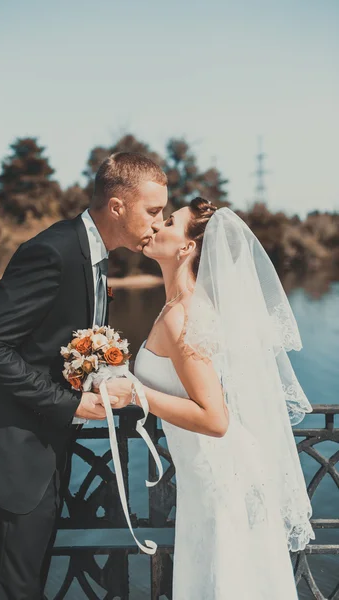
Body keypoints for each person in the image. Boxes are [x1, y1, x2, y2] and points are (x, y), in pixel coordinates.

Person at [0, 152, 168, 600]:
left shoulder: (94, 256)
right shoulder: (53, 250)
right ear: (118, 206)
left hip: (42, 454)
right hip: (11, 460)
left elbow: (53, 348)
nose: (159, 223)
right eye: (153, 210)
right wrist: (69, 403)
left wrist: (101, 377)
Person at [105, 197, 315, 599]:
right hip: (206, 478)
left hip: (221, 480)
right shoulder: (180, 307)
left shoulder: (183, 314)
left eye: (168, 222)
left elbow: (215, 418)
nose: (155, 226)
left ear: (187, 247)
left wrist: (135, 391)